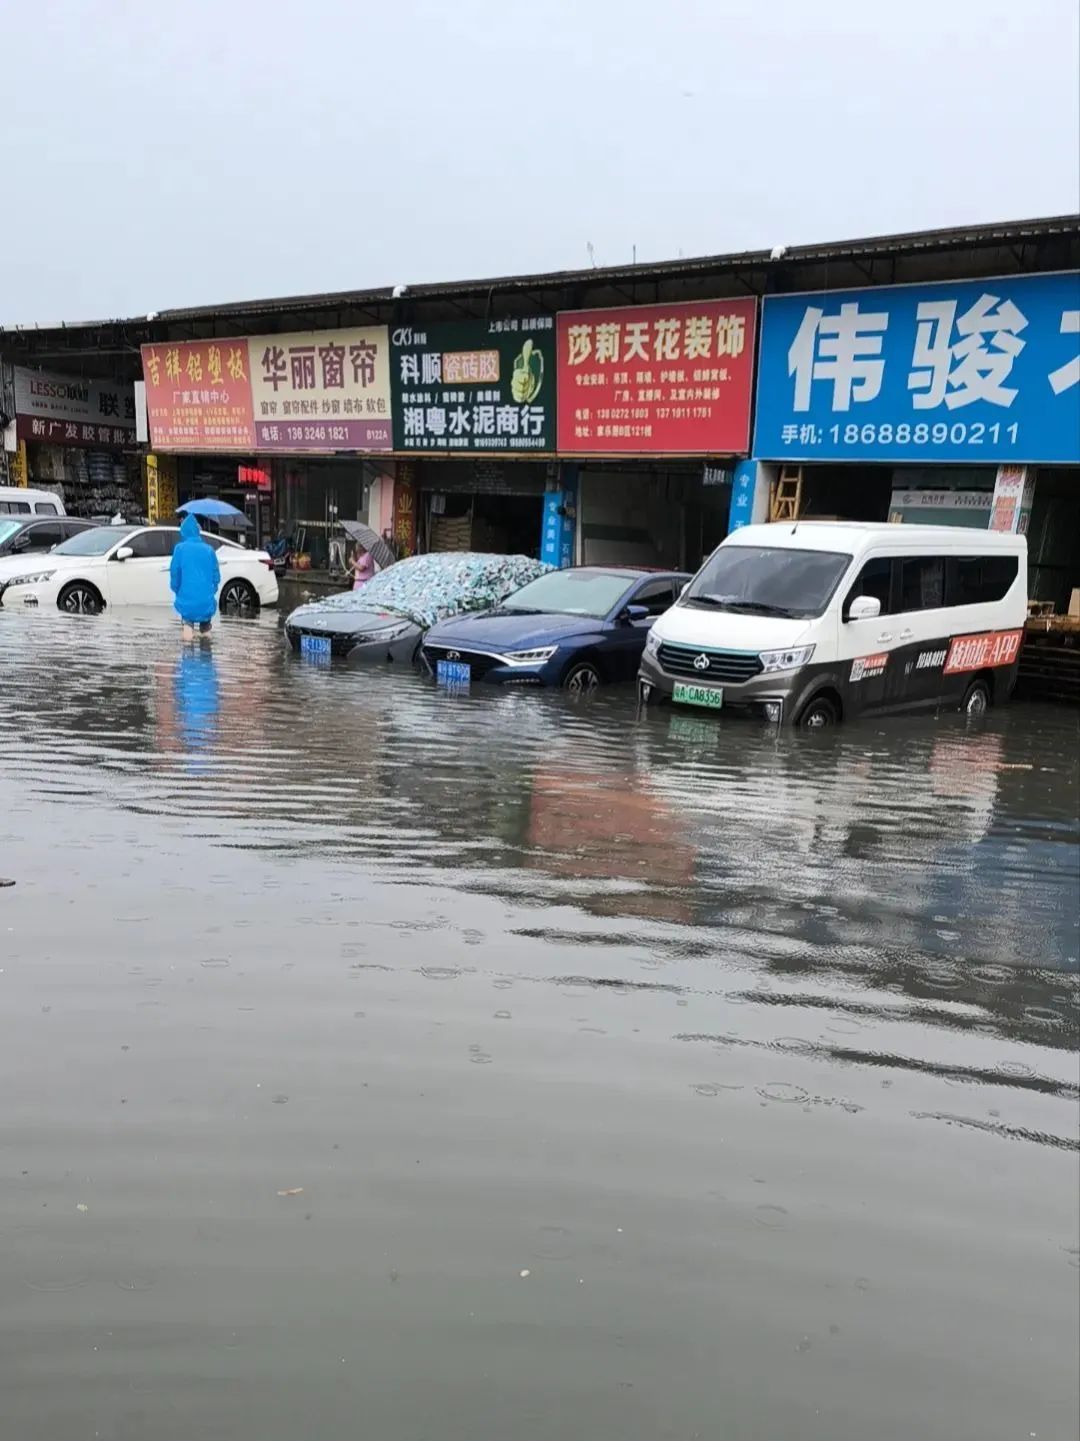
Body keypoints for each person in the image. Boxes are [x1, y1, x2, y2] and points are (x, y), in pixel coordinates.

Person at [170, 514, 221, 642]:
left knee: (187, 626)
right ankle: (207, 656)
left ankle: (187, 659)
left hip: (186, 599)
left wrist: (176, 589)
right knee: (206, 630)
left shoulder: (179, 549)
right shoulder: (209, 550)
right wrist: (211, 591)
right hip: (206, 600)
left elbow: (175, 573)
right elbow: (216, 576)